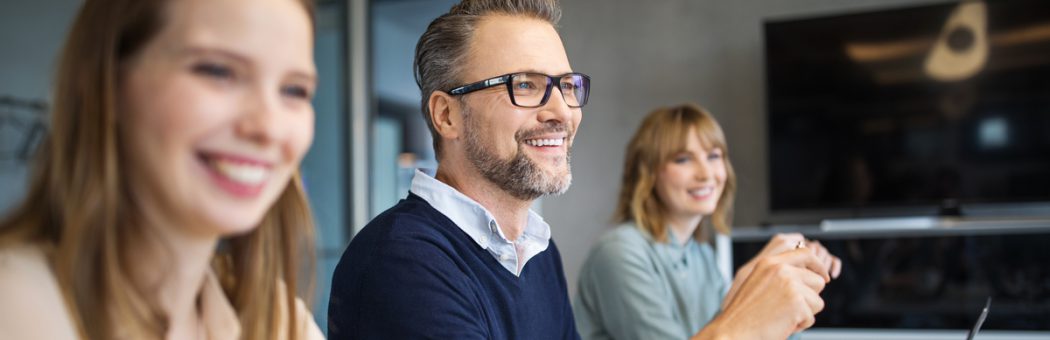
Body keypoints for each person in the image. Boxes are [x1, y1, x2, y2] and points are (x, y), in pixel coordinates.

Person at [0, 0, 324, 338]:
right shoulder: (16, 307)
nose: (268, 127)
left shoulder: (280, 321)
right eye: (217, 71)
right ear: (106, 86)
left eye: (294, 90)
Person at [327, 0, 584, 338]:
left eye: (566, 86)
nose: (563, 112)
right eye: (524, 85)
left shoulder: (538, 252)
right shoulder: (402, 261)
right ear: (447, 115)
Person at [573, 104, 843, 340]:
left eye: (713, 156)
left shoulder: (700, 254)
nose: (706, 174)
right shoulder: (619, 253)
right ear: (649, 173)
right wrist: (758, 278)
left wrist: (792, 282)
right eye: (683, 159)